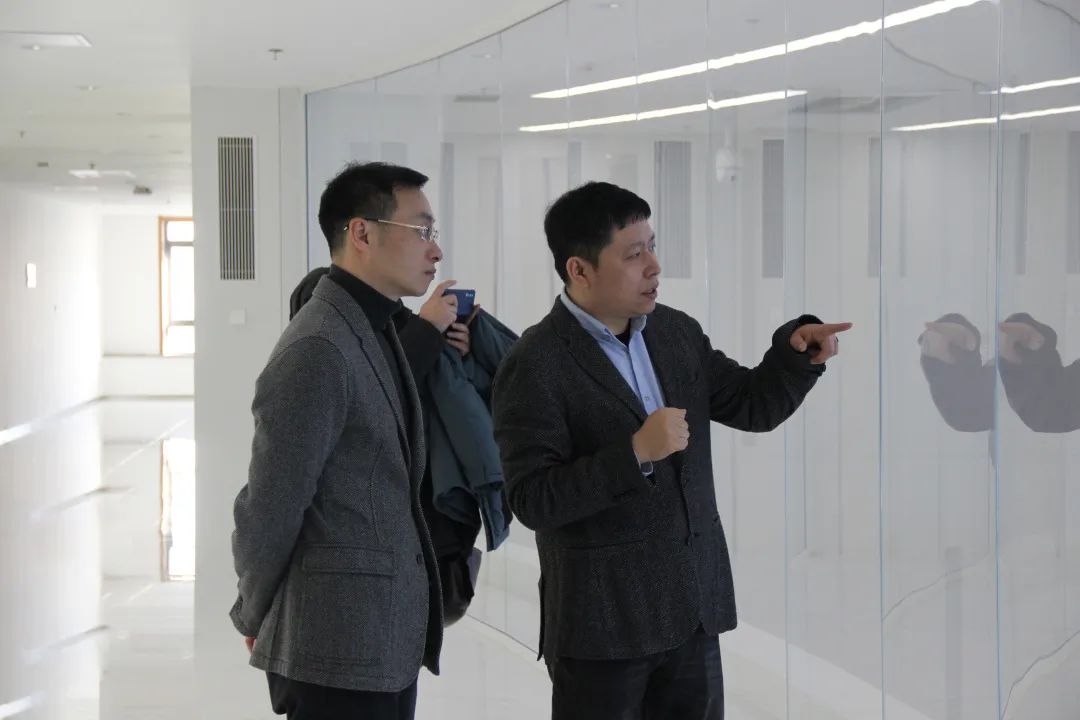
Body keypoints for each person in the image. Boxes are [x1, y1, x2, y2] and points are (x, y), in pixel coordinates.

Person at [491, 181, 851, 720]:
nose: (654, 267)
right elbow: (533, 500)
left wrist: (796, 357)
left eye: (652, 247)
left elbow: (751, 405)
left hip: (691, 612)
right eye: (634, 254)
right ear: (579, 270)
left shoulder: (675, 333)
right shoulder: (535, 362)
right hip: (602, 629)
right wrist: (635, 452)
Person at [230, 161, 447, 720]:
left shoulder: (374, 328)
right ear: (362, 234)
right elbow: (271, 505)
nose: (435, 249)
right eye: (421, 230)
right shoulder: (319, 348)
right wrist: (254, 611)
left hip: (378, 640)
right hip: (336, 649)